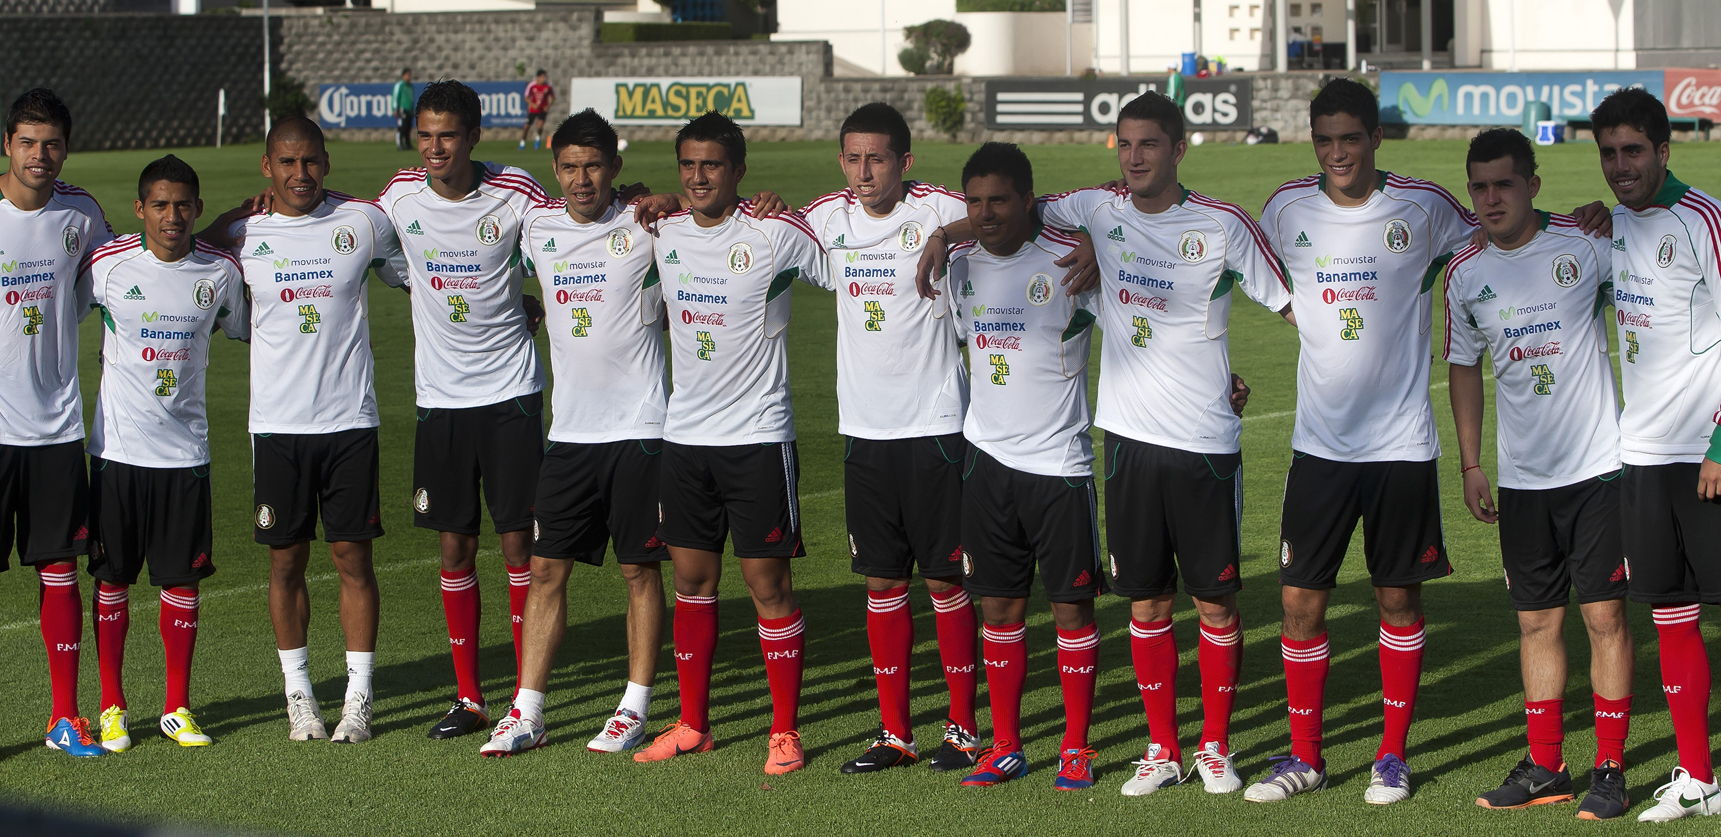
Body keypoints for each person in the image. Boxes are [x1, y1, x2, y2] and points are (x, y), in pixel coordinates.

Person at [1036, 91, 1292, 797]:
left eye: (1148, 144)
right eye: (1123, 144)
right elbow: (1016, 207)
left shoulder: (1221, 225)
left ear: (1180, 148)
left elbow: (1291, 304)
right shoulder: (1096, 208)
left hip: (1205, 442)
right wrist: (1081, 238)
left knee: (1213, 604)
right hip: (1126, 442)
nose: (1134, 157)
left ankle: (1214, 745)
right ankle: (1161, 746)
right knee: (1144, 602)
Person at [1245, 77, 1476, 805]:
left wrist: (1583, 221)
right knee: (1297, 604)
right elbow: (1223, 262)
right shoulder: (1284, 207)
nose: (1337, 152)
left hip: (1401, 445)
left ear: (1376, 138)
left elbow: (1499, 237)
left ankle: (1390, 755)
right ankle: (1304, 756)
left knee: (1397, 600)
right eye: (1324, 139)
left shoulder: (1425, 207)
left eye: (1350, 137)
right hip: (1318, 444)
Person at [629, 111, 826, 775]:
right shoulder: (664, 229)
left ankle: (784, 730)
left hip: (758, 438)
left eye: (711, 164)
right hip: (684, 439)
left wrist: (789, 208)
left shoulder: (773, 232)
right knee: (691, 580)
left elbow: (845, 266)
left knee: (767, 584)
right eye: (687, 164)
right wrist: (646, 197)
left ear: (739, 171)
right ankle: (692, 723)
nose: (697, 176)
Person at [1443, 128, 1631, 821]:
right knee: (1534, 623)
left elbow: (1653, 291)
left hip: (1597, 468)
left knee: (1604, 615)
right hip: (1522, 480)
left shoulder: (1583, 245)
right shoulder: (1465, 274)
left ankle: (1608, 765)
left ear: (1532, 185)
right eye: (1479, 187)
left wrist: (1614, 217)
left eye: (1503, 184)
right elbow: (1463, 367)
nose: (1491, 198)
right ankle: (1546, 762)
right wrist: (1469, 461)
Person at [794, 102, 979, 774]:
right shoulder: (825, 217)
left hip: (934, 427)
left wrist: (944, 235)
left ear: (905, 161)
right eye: (852, 157)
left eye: (877, 158)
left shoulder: (935, 208)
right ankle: (894, 730)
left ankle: (962, 727)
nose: (864, 171)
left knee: (944, 579)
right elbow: (754, 226)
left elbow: (1010, 207)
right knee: (880, 580)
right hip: (863, 430)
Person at [480, 109, 668, 757]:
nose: (581, 179)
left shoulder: (647, 223)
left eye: (593, 166)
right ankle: (527, 710)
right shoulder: (536, 226)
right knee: (544, 568)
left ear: (614, 168)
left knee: (639, 570)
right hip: (569, 433)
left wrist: (662, 198)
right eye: (568, 167)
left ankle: (633, 707)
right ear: (554, 169)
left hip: (641, 429)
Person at [218, 116, 406, 744]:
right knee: (285, 563)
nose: (300, 175)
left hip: (350, 419)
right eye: (287, 163)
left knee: (353, 557)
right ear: (266, 166)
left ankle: (358, 698)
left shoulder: (363, 222)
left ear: (326, 162)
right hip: (276, 426)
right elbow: (197, 256)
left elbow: (429, 259)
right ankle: (300, 697)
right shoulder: (241, 235)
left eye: (311, 163)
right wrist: (221, 221)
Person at [376, 79, 548, 740]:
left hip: (509, 395)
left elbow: (562, 240)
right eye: (425, 134)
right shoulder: (397, 196)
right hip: (439, 401)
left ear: (473, 136)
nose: (434, 147)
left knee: (516, 544)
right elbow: (354, 237)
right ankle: (469, 695)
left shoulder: (517, 191)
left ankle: (522, 696)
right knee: (453, 546)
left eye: (447, 135)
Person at [942, 142, 1103, 791]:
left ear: (1027, 200)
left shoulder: (1070, 260)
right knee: (999, 611)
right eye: (974, 201)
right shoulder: (959, 268)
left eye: (998, 200)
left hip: (1059, 465)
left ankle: (1075, 747)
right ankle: (1005, 746)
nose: (984, 213)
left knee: (1071, 613)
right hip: (986, 462)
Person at [81, 154, 249, 751]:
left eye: (182, 205)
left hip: (186, 457)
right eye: (160, 204)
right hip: (117, 454)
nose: (171, 216)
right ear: (139, 210)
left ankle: (178, 706)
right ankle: (111, 707)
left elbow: (248, 329)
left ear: (197, 210)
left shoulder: (220, 274)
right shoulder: (105, 265)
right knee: (113, 579)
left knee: (181, 583)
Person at [1590, 86, 1721, 823]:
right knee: (1669, 611)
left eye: (1632, 150)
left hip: (1702, 450)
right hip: (1638, 454)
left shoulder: (1701, 218)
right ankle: (1697, 775)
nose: (1619, 165)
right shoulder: (1611, 227)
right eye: (1608, 153)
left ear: (1663, 151)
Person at [0, 87, 113, 757]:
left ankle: (65, 717)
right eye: (27, 142)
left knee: (60, 568)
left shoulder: (81, 215)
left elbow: (115, 271)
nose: (40, 155)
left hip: (53, 429)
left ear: (65, 148)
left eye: (52, 143)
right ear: (7, 145)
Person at [521, 70, 555, 151]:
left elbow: (553, 97)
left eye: (545, 77)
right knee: (526, 127)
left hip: (542, 110)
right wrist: (532, 104)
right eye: (543, 77)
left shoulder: (548, 87)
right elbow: (526, 97)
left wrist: (548, 106)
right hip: (533, 110)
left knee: (540, 126)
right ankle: (522, 143)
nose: (544, 79)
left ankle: (537, 139)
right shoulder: (532, 85)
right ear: (538, 77)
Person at [393, 69, 414, 152]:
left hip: (409, 110)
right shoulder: (400, 85)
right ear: (403, 75)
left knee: (408, 128)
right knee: (402, 127)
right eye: (408, 75)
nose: (409, 77)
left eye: (410, 75)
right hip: (402, 109)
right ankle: (400, 144)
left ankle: (407, 144)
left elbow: (411, 98)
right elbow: (395, 97)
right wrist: (395, 108)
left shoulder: (410, 86)